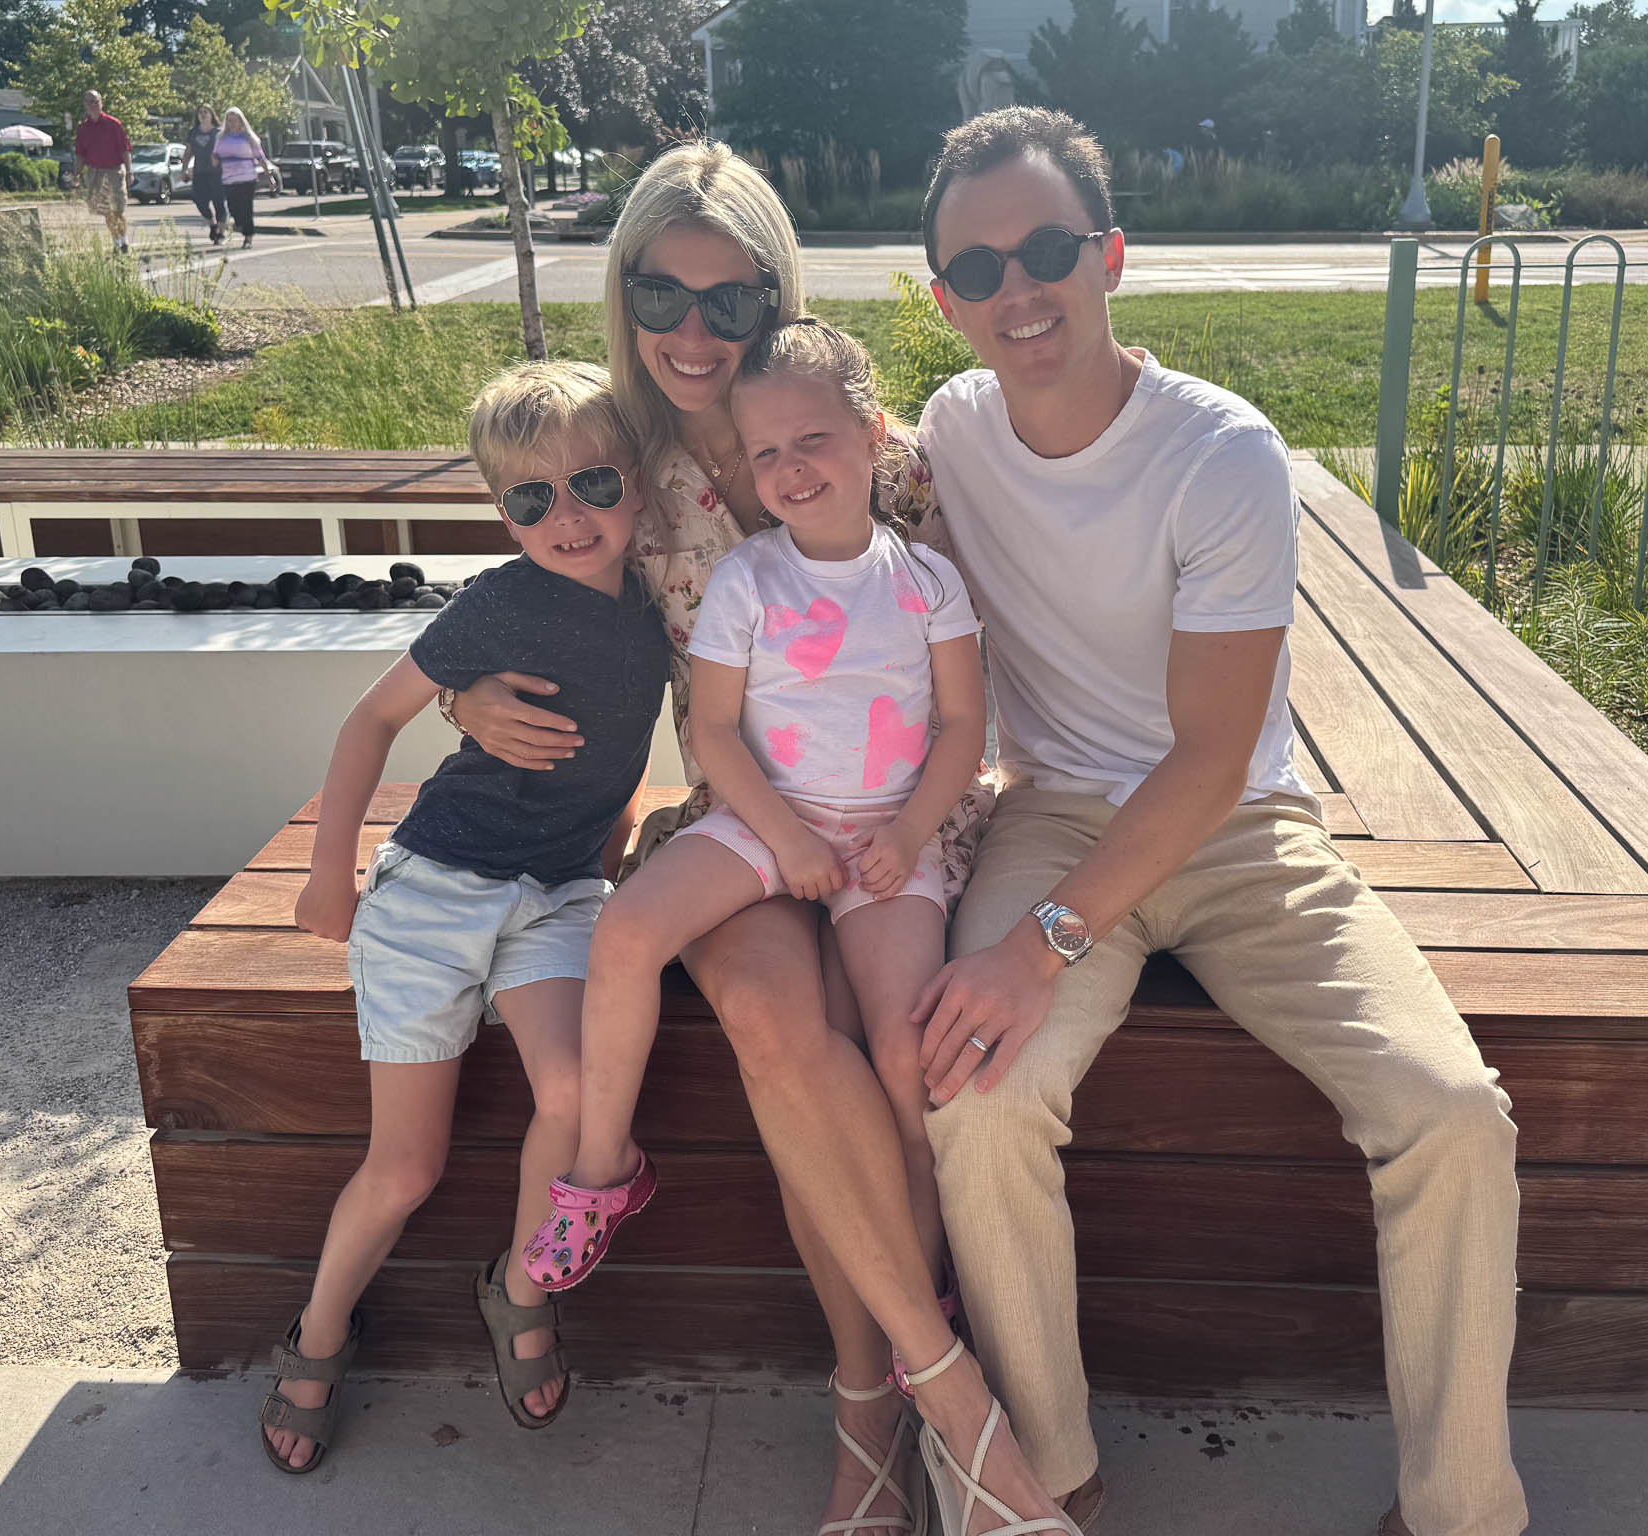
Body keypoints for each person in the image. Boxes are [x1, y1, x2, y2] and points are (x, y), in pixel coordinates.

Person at [911, 107, 1527, 1536]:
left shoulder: (1221, 453)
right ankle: (1048, 1483)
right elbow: (789, 470)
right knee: (979, 1101)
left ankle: (1461, 1512)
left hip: (1238, 826)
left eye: (1049, 248)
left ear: (1112, 255)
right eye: (980, 267)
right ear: (943, 299)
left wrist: (1039, 947)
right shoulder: (950, 428)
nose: (1019, 289)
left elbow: (1207, 757)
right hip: (1055, 808)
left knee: (1451, 1115)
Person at [448, 141, 1075, 1536]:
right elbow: (530, 582)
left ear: (777, 304)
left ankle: (882, 1405)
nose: (690, 331)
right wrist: (455, 690)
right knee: (782, 1039)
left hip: (896, 826)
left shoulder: (886, 462)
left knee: (899, 1069)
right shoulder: (622, 466)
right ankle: (932, 1404)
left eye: (731, 303)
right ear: (622, 295)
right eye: (659, 295)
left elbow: (956, 657)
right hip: (741, 818)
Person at [518, 318, 984, 1348]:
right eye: (764, 452)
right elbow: (718, 732)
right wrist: (786, 840)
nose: (787, 469)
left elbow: (961, 726)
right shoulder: (746, 580)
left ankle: (924, 1281)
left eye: (811, 441)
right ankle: (601, 1169)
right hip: (764, 820)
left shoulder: (924, 582)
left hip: (886, 841)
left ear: (871, 437)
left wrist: (905, 836)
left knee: (903, 1061)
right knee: (628, 931)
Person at [259, 361, 669, 1473]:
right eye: (530, 500)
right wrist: (326, 876)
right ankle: (320, 1331)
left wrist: (615, 832)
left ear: (639, 479)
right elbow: (368, 722)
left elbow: (622, 741)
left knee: (581, 1100)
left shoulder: (662, 606)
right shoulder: (499, 601)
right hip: (439, 886)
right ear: (502, 513)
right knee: (404, 1167)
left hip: (555, 897)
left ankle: (521, 1287)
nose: (566, 518)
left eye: (590, 483)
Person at [73, 90, 131, 255]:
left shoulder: (114, 124)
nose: (93, 105)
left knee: (118, 209)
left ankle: (124, 240)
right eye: (89, 102)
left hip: (114, 171)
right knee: (106, 211)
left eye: (96, 101)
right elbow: (80, 154)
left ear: (101, 103)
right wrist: (76, 174)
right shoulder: (83, 128)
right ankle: (116, 243)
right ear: (85, 105)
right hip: (95, 173)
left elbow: (124, 150)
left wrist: (129, 171)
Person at [214, 108, 269, 249]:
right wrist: (214, 160)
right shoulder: (221, 137)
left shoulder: (248, 137)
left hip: (247, 178)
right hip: (228, 178)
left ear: (241, 121)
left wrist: (269, 176)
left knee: (246, 208)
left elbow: (260, 157)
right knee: (233, 208)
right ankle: (241, 226)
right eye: (229, 120)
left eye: (235, 120)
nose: (232, 123)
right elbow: (215, 154)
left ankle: (248, 238)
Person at [185, 105, 227, 246]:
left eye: (206, 112)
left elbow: (226, 151)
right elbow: (188, 152)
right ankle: (212, 224)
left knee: (219, 202)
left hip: (217, 172)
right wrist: (184, 168)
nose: (203, 115)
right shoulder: (193, 133)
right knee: (199, 201)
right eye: (200, 113)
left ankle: (221, 233)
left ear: (211, 115)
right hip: (199, 172)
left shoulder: (219, 132)